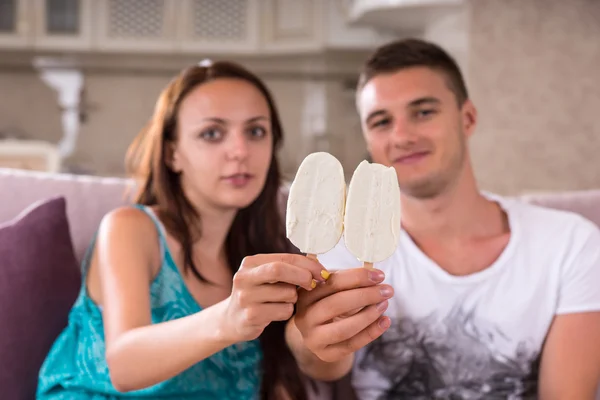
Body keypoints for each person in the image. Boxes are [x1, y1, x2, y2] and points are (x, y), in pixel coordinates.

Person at [286, 38, 600, 399]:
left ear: (467, 118)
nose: (402, 136)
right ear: (368, 139)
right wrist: (312, 340)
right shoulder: (341, 247)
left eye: (423, 112)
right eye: (381, 121)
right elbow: (320, 362)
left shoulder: (570, 245)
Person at [37, 60, 330, 400]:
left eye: (255, 132)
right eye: (211, 133)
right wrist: (228, 318)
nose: (240, 151)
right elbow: (124, 364)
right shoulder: (130, 228)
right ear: (172, 153)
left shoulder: (267, 250)